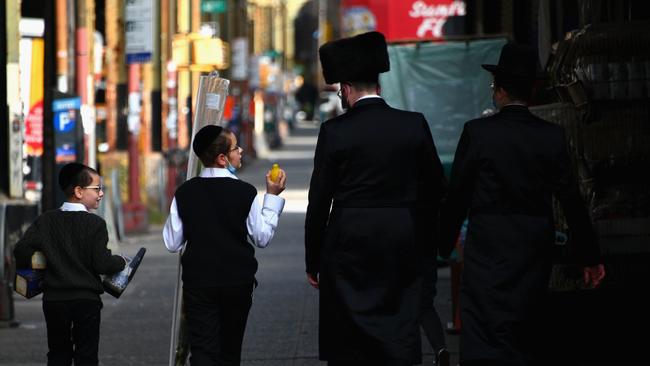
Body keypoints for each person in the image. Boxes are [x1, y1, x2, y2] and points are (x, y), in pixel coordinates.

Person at [439, 42, 606, 366]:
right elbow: (571, 199)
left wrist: (443, 242)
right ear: (531, 91)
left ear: (498, 90)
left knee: (484, 325)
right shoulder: (551, 136)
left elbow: (457, 195)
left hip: (487, 242)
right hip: (532, 244)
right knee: (527, 324)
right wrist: (590, 256)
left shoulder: (477, 133)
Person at [304, 31, 447, 366]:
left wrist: (314, 258)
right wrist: (424, 238)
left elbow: (319, 199)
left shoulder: (334, 132)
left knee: (349, 322)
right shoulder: (413, 125)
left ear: (346, 89)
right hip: (401, 232)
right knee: (399, 314)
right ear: (378, 87)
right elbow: (436, 188)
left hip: (348, 235)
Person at [163, 125, 286, 366]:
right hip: (237, 281)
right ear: (222, 158)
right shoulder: (245, 192)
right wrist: (272, 197)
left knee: (202, 350)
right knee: (230, 350)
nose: (240, 151)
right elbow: (261, 237)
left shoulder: (185, 192)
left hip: (199, 282)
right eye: (235, 147)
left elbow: (171, 242)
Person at [13, 162, 127, 365]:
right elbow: (101, 263)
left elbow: (20, 251)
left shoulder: (46, 220)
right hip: (86, 301)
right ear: (79, 191)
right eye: (97, 188)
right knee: (87, 356)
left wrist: (44, 258)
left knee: (58, 354)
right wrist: (120, 262)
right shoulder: (95, 224)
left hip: (54, 300)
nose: (101, 193)